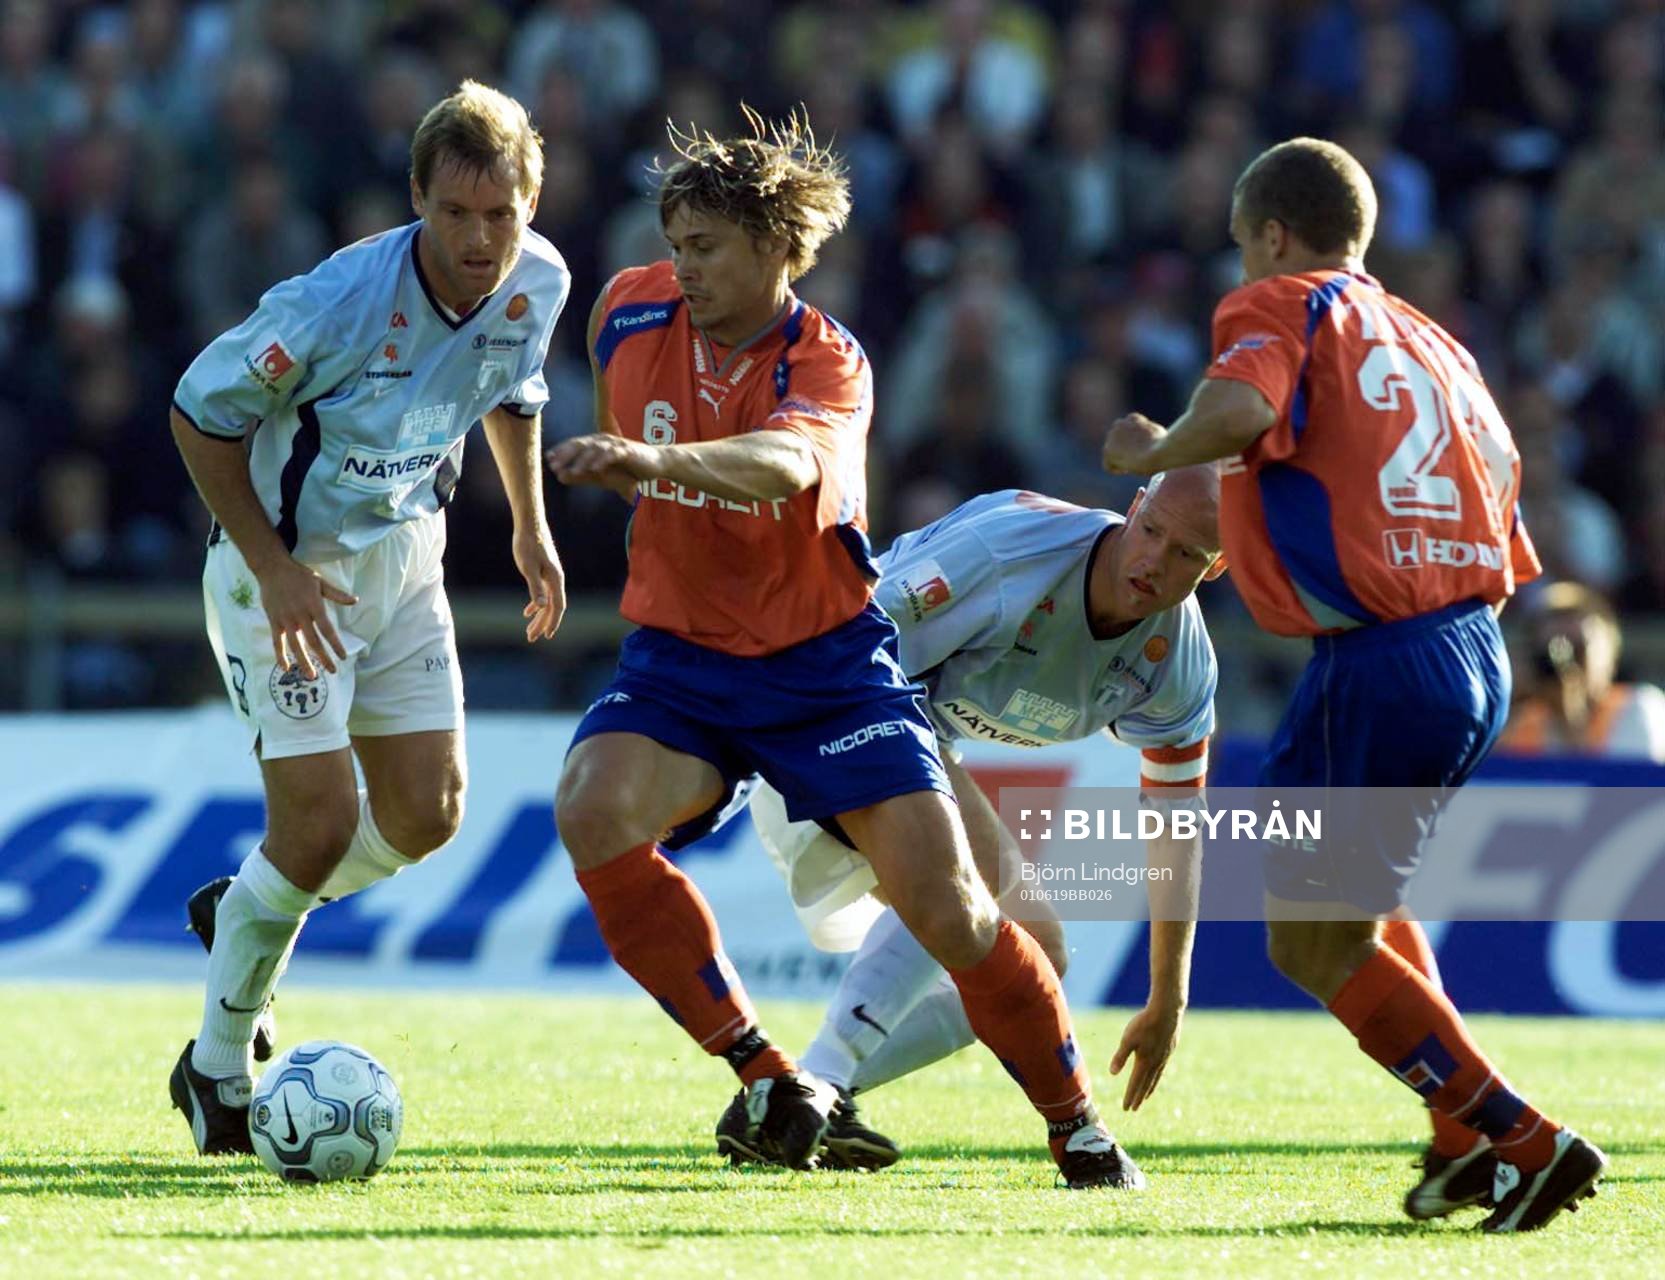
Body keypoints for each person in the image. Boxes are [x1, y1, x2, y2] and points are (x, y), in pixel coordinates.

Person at [547, 108, 1136, 1187]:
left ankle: (1079, 1126)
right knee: (591, 803)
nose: (683, 268)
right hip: (682, 658)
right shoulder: (627, 312)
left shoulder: (829, 362)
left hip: (823, 666)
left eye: (708, 248)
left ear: (779, 248)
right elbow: (609, 397)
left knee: (953, 908)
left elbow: (780, 468)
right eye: (676, 243)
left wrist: (641, 459)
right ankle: (765, 1071)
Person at [1101, 137, 1606, 1233]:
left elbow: (1236, 416)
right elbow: (1502, 501)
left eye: (1244, 246)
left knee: (1306, 940)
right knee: (1365, 909)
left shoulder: (1281, 302)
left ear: (1274, 235)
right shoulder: (1437, 342)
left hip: (1377, 656)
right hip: (1475, 638)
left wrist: (1153, 454)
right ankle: (1462, 1139)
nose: (1242, 270)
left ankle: (1521, 1134)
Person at [167, 81, 570, 1156]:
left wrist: (531, 525)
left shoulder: (541, 281)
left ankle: (250, 910)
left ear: (532, 201)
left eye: (502, 213)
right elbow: (198, 413)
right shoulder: (337, 300)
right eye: (456, 213)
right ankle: (214, 1067)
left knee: (430, 811)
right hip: (283, 572)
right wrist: (276, 566)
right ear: (418, 201)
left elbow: (517, 390)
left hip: (407, 555)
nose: (481, 239)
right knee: (315, 827)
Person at [743, 473, 1221, 1170]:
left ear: (1219, 567)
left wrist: (1168, 994)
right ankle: (821, 1081)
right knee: (964, 890)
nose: (1153, 562)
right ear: (1135, 507)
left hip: (910, 745)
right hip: (817, 713)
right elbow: (840, 636)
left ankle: (797, 1097)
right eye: (1150, 532)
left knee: (1036, 954)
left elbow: (1177, 821)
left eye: (1186, 554)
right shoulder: (1007, 550)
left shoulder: (1177, 660)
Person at [1499, 581, 1665, 763]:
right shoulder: (1523, 724)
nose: (1564, 665)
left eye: (1577, 649)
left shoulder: (1637, 708)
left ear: (1610, 651)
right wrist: (1504, 703)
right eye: (1549, 651)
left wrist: (1572, 719)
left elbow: (1636, 783)